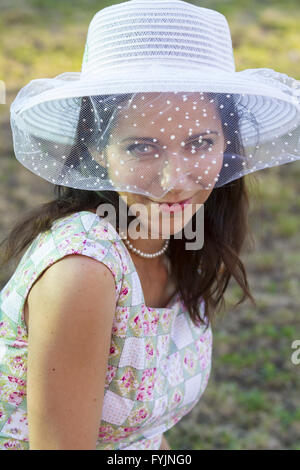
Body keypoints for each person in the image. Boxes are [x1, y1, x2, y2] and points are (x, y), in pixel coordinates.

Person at [0, 0, 299, 450]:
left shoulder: (178, 244)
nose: (173, 182)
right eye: (142, 147)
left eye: (199, 142)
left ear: (227, 144)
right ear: (97, 151)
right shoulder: (82, 273)